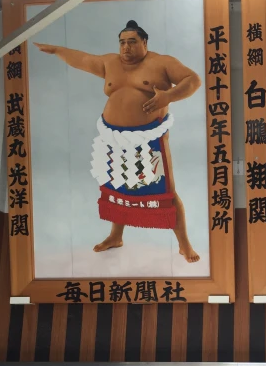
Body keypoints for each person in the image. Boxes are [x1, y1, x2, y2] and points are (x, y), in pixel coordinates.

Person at [34, 20, 202, 262]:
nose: (126, 47)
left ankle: (184, 244)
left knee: (166, 192)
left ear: (144, 42)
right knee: (118, 188)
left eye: (132, 42)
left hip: (149, 139)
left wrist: (170, 95)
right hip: (113, 139)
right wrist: (58, 50)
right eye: (122, 42)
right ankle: (116, 236)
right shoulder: (110, 63)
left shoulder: (162, 63)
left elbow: (192, 80)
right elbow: (82, 59)